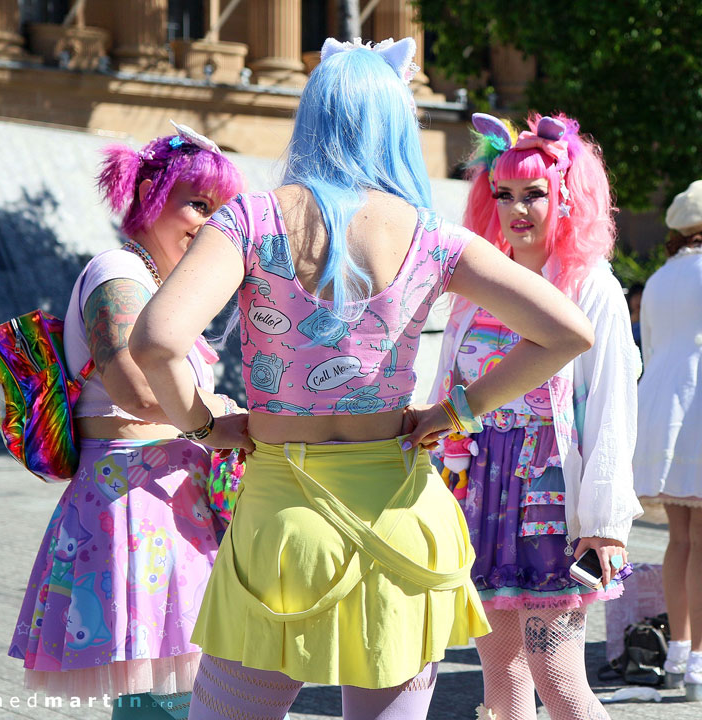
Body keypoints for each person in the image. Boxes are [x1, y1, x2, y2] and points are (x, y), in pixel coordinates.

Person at [128, 37, 594, 720]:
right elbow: (567, 333)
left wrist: (206, 425)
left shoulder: (251, 220)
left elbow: (157, 338)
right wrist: (460, 408)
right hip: (402, 516)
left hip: (281, 526)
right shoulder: (435, 238)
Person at [8, 123, 244, 718]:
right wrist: (220, 419)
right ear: (151, 199)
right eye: (197, 203)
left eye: (219, 212)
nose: (208, 224)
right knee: (160, 695)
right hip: (134, 501)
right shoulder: (119, 271)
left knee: (181, 689)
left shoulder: (160, 286)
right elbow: (134, 388)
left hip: (171, 502)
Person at [428, 112, 643, 720]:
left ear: (569, 198)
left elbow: (610, 405)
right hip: (480, 493)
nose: (516, 210)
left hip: (552, 497)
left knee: (558, 677)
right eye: (504, 195)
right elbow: (450, 387)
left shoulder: (590, 285)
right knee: (500, 676)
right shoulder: (481, 285)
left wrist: (604, 520)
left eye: (534, 194)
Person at [633, 180, 702, 700]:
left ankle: (679, 653)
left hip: (662, 406)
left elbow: (652, 345)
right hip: (696, 402)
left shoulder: (658, 277)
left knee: (681, 539)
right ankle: (698, 661)